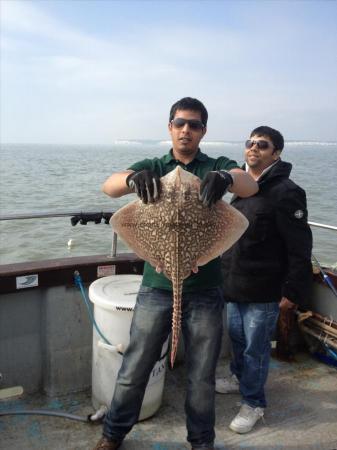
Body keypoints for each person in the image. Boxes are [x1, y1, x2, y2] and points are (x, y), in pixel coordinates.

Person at [93, 97, 258, 450]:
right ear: (170, 127)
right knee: (135, 366)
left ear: (203, 131)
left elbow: (249, 185)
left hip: (206, 288)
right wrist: (134, 177)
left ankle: (201, 442)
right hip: (156, 285)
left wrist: (228, 176)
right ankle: (113, 434)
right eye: (180, 123)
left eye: (194, 125)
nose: (186, 130)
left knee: (201, 374)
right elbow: (110, 186)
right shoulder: (155, 164)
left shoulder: (215, 164)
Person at [216, 126, 313, 434]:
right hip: (235, 283)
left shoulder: (287, 192)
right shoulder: (241, 188)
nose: (253, 148)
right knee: (238, 340)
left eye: (262, 144)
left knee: (256, 350)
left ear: (276, 153)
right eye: (250, 143)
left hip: (265, 288)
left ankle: (254, 402)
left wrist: (292, 291)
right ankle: (237, 377)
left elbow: (300, 247)